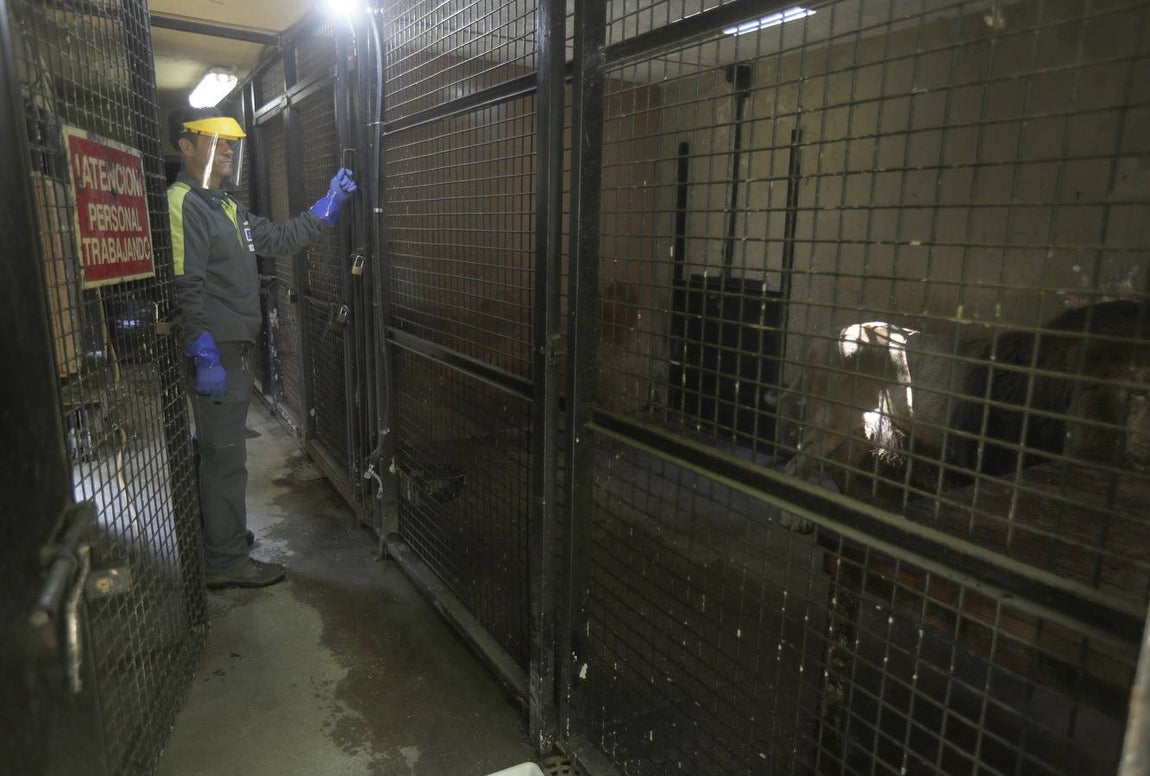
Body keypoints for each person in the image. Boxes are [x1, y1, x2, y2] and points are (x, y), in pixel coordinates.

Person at [167, 106, 357, 588]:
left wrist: (328, 205)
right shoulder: (183, 202)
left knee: (221, 452)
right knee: (225, 455)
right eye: (213, 139)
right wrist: (202, 348)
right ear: (185, 146)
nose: (226, 148)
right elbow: (185, 282)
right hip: (215, 349)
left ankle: (222, 536)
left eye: (230, 141)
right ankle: (225, 560)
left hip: (231, 346)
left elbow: (276, 237)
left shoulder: (227, 207)